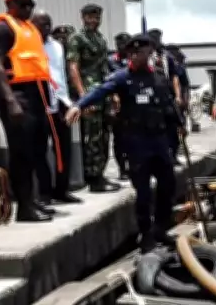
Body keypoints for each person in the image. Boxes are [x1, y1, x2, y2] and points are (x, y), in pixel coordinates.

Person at [66, 35, 181, 253]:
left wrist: (179, 125)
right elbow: (99, 91)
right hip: (137, 143)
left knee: (168, 186)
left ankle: (161, 229)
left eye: (146, 53)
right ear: (131, 55)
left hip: (159, 141)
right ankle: (146, 234)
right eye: (138, 54)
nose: (143, 57)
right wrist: (79, 105)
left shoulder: (158, 78)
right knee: (143, 193)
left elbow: (168, 106)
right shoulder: (122, 78)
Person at [0, 0, 56, 222]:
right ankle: (24, 208)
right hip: (17, 95)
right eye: (23, 5)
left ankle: (33, 201)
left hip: (36, 95)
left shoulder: (29, 28)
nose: (28, 9)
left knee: (37, 151)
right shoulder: (2, 29)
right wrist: (10, 101)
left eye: (31, 4)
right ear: (10, 4)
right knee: (21, 154)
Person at [67, 4, 120, 193]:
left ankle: (101, 174)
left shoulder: (101, 39)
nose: (94, 21)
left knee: (104, 136)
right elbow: (73, 67)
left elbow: (105, 68)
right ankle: (93, 178)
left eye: (97, 18)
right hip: (89, 94)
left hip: (102, 93)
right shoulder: (76, 39)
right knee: (91, 138)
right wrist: (83, 97)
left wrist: (113, 93)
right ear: (83, 17)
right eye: (90, 17)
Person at [32, 11, 82, 205]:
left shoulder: (57, 46)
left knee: (64, 149)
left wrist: (67, 101)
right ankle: (45, 193)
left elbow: (61, 74)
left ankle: (62, 190)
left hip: (60, 102)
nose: (45, 28)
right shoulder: (29, 45)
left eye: (48, 24)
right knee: (39, 151)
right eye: (41, 24)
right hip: (39, 102)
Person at [147, 29, 184, 164]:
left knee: (173, 127)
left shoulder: (167, 57)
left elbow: (174, 77)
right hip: (151, 96)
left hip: (167, 95)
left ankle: (173, 154)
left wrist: (178, 95)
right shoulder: (145, 57)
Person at [108, 32, 131, 180]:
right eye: (119, 44)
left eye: (125, 43)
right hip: (117, 105)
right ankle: (122, 168)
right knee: (119, 139)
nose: (122, 46)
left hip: (132, 104)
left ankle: (133, 166)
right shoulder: (110, 61)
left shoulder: (134, 60)